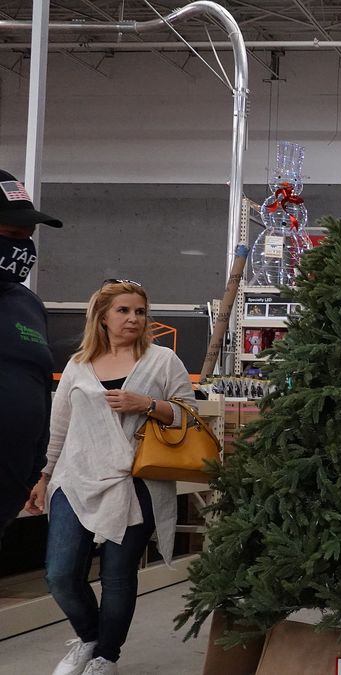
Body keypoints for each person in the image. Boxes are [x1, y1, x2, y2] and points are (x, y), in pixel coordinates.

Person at [24, 280, 195, 675]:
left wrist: (149, 404)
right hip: (76, 477)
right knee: (61, 574)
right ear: (102, 317)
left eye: (139, 311)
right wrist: (44, 475)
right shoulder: (78, 364)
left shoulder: (163, 360)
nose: (133, 318)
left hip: (137, 479)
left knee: (118, 575)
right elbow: (59, 427)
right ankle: (89, 639)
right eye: (123, 311)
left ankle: (106, 658)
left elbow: (190, 416)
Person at [0, 169, 61, 543]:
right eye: (10, 236)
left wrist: (35, 468)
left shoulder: (27, 304)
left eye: (28, 237)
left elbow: (39, 383)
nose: (23, 248)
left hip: (8, 488)